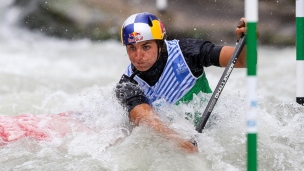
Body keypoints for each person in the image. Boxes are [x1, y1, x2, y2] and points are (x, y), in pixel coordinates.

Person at [115, 12, 255, 153]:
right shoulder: (127, 84)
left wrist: (248, 42)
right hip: (170, 145)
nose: (138, 56)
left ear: (160, 44)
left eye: (146, 47)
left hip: (215, 130)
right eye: (132, 48)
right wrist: (180, 142)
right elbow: (145, 118)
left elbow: (245, 61)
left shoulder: (187, 52)